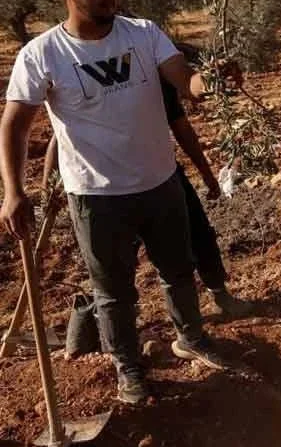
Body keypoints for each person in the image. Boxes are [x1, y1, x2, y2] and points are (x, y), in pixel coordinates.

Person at [1, 0, 231, 404]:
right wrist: (14, 191)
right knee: (113, 292)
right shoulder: (42, 54)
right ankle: (129, 367)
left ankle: (191, 337)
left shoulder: (143, 34)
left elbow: (186, 81)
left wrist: (211, 81)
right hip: (95, 196)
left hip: (160, 182)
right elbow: (15, 125)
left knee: (178, 270)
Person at [42, 76, 253, 318]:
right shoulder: (89, 80)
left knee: (198, 233)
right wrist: (49, 188)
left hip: (160, 176)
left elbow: (180, 125)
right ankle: (118, 320)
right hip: (106, 190)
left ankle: (218, 295)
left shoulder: (151, 75)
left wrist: (206, 173)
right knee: (115, 260)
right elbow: (61, 136)